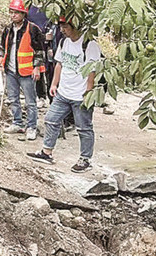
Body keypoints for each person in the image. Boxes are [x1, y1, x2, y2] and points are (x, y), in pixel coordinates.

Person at [27, 16, 102, 173]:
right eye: (61, 27)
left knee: (84, 128)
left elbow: (92, 70)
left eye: (65, 27)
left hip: (80, 95)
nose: (62, 30)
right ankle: (46, 152)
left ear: (75, 26)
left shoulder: (89, 44)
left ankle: (85, 159)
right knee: (51, 119)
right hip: (63, 92)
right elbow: (59, 64)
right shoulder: (64, 42)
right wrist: (54, 84)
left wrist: (88, 92)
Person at [0, 0, 44, 140]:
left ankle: (31, 127)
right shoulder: (8, 29)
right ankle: (17, 122)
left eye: (16, 12)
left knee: (30, 102)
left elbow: (39, 51)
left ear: (24, 14)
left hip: (27, 72)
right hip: (11, 70)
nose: (13, 15)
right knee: (13, 99)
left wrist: (37, 68)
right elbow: (2, 48)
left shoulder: (33, 29)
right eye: (11, 12)